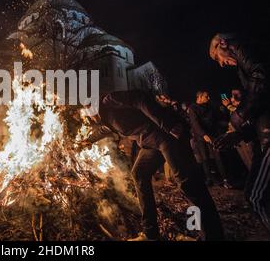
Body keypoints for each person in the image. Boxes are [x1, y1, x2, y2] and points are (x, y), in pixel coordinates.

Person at [79, 90, 224, 241]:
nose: (89, 118)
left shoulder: (109, 100)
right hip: (151, 144)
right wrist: (88, 140)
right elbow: (105, 129)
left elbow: (139, 98)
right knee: (139, 174)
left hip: (166, 136)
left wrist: (167, 124)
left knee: (188, 184)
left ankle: (213, 236)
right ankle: (150, 234)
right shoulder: (106, 119)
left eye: (88, 111)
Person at [209, 33, 270, 230]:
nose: (221, 64)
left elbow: (260, 77)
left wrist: (238, 116)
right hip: (263, 134)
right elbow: (261, 107)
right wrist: (240, 134)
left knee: (256, 196)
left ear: (223, 44)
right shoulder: (245, 65)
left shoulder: (242, 46)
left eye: (218, 57)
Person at [188, 91, 232, 188]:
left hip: (213, 135)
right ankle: (209, 178)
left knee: (218, 155)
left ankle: (225, 179)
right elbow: (195, 123)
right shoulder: (192, 108)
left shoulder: (209, 106)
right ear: (199, 97)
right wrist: (203, 134)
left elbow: (216, 118)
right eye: (206, 96)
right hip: (200, 136)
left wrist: (224, 110)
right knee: (205, 157)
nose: (208, 98)